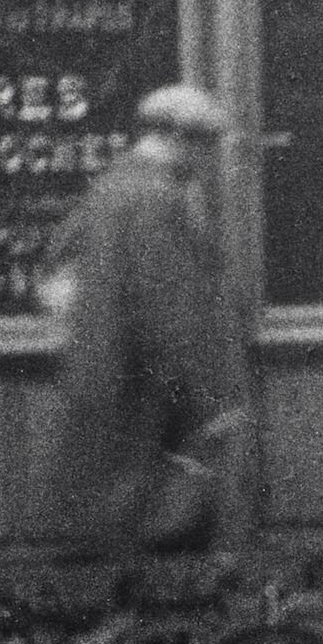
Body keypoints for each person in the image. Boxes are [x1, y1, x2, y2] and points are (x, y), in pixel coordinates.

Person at [38, 83, 257, 557]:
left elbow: (58, 266)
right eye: (209, 144)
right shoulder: (156, 200)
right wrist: (204, 402)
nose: (212, 159)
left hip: (110, 385)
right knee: (164, 537)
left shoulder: (111, 186)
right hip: (150, 398)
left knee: (120, 528)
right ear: (183, 139)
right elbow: (169, 312)